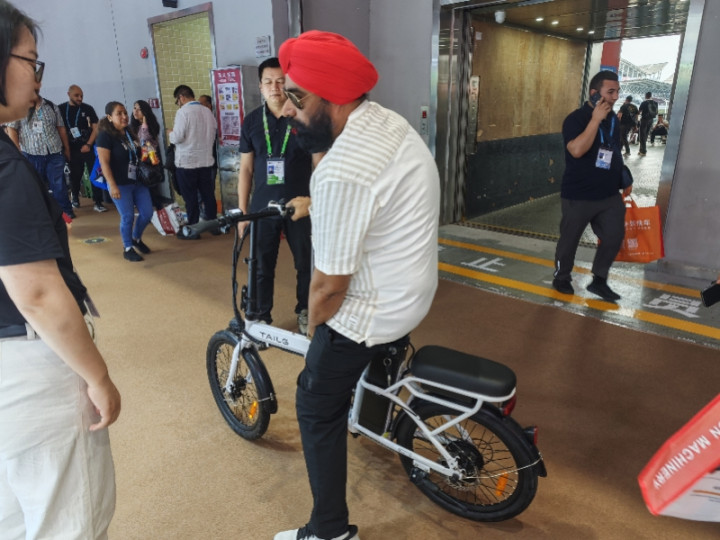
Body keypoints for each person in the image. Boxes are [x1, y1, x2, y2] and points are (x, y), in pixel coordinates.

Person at [275, 30, 440, 540]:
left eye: (296, 97)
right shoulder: (385, 121)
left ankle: (329, 530)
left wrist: (314, 336)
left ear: (335, 97)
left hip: (373, 312)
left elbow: (327, 289)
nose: (285, 109)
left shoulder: (342, 172)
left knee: (314, 403)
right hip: (414, 294)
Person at [0, 2, 121, 538]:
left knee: (15, 514)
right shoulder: (5, 166)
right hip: (27, 367)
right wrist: (98, 377)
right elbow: (37, 293)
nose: (37, 76)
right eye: (30, 61)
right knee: (68, 520)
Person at [238, 57, 312, 332]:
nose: (275, 87)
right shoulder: (252, 121)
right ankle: (260, 316)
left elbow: (319, 163)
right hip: (262, 207)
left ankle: (306, 310)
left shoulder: (303, 117)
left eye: (281, 81)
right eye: (268, 82)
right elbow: (246, 169)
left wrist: (317, 202)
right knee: (260, 264)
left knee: (306, 263)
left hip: (299, 205)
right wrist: (243, 212)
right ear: (260, 86)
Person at [552, 70, 632, 302]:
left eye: (617, 92)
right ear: (594, 93)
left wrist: (624, 178)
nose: (615, 97)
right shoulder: (575, 119)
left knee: (614, 236)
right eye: (610, 92)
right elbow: (577, 150)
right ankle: (562, 277)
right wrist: (595, 120)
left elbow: (613, 151)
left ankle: (599, 280)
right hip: (579, 195)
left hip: (608, 195)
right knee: (569, 240)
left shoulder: (613, 120)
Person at [96, 101, 154, 262]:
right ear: (109, 117)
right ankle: (127, 248)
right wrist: (112, 185)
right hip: (120, 183)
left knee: (147, 213)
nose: (124, 116)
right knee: (127, 216)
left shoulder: (129, 132)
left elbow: (137, 153)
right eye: (119, 114)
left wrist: (147, 151)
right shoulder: (105, 136)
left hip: (137, 181)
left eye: (125, 113)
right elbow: (104, 163)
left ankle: (136, 238)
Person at [4, 92, 74, 217]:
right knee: (35, 187)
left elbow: (61, 128)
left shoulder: (51, 106)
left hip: (54, 153)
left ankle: (66, 212)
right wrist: (18, 152)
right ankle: (41, 215)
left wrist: (67, 149)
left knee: (59, 186)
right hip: (31, 155)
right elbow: (12, 130)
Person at [168, 84, 217, 237]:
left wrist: (170, 133)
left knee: (190, 198)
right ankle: (214, 226)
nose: (178, 104)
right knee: (208, 195)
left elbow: (177, 137)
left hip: (187, 163)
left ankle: (193, 230)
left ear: (181, 97)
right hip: (206, 162)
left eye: (178, 101)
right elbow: (213, 133)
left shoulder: (183, 112)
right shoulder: (207, 112)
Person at [59, 84, 107, 212]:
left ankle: (98, 202)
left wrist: (89, 144)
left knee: (95, 174)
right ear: (68, 94)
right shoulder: (60, 109)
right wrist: (66, 149)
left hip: (88, 147)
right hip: (72, 149)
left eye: (81, 96)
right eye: (76, 95)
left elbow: (96, 128)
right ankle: (75, 197)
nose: (80, 98)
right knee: (75, 175)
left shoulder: (88, 108)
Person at [130, 99, 168, 209]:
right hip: (137, 161)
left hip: (149, 161)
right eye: (134, 108)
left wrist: (145, 124)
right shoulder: (132, 127)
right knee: (140, 188)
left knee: (152, 188)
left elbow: (144, 140)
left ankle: (159, 210)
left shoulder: (150, 126)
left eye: (139, 109)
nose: (135, 111)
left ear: (145, 112)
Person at [638, 91, 657, 156]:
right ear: (651, 96)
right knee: (646, 135)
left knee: (642, 135)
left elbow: (639, 111)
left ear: (646, 96)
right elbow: (656, 112)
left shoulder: (644, 103)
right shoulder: (655, 103)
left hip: (644, 120)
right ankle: (641, 150)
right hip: (651, 120)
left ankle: (643, 151)